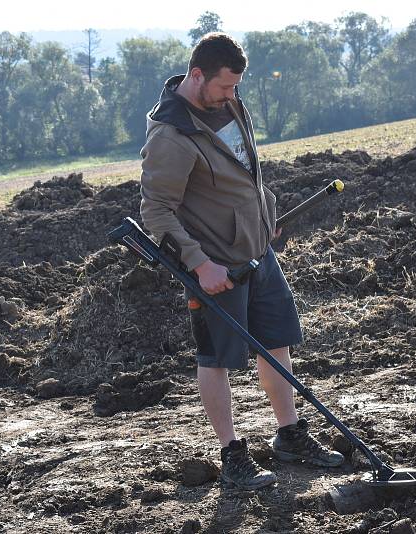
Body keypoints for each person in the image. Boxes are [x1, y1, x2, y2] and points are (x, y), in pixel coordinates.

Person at [139, 33, 343, 490]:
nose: (234, 94)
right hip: (217, 267)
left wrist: (265, 218)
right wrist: (199, 265)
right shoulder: (172, 135)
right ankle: (233, 455)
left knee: (277, 341)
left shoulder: (226, 104)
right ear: (197, 76)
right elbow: (156, 211)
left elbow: (247, 172)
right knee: (216, 360)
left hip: (258, 252)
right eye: (226, 86)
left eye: (236, 86)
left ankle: (289, 434)